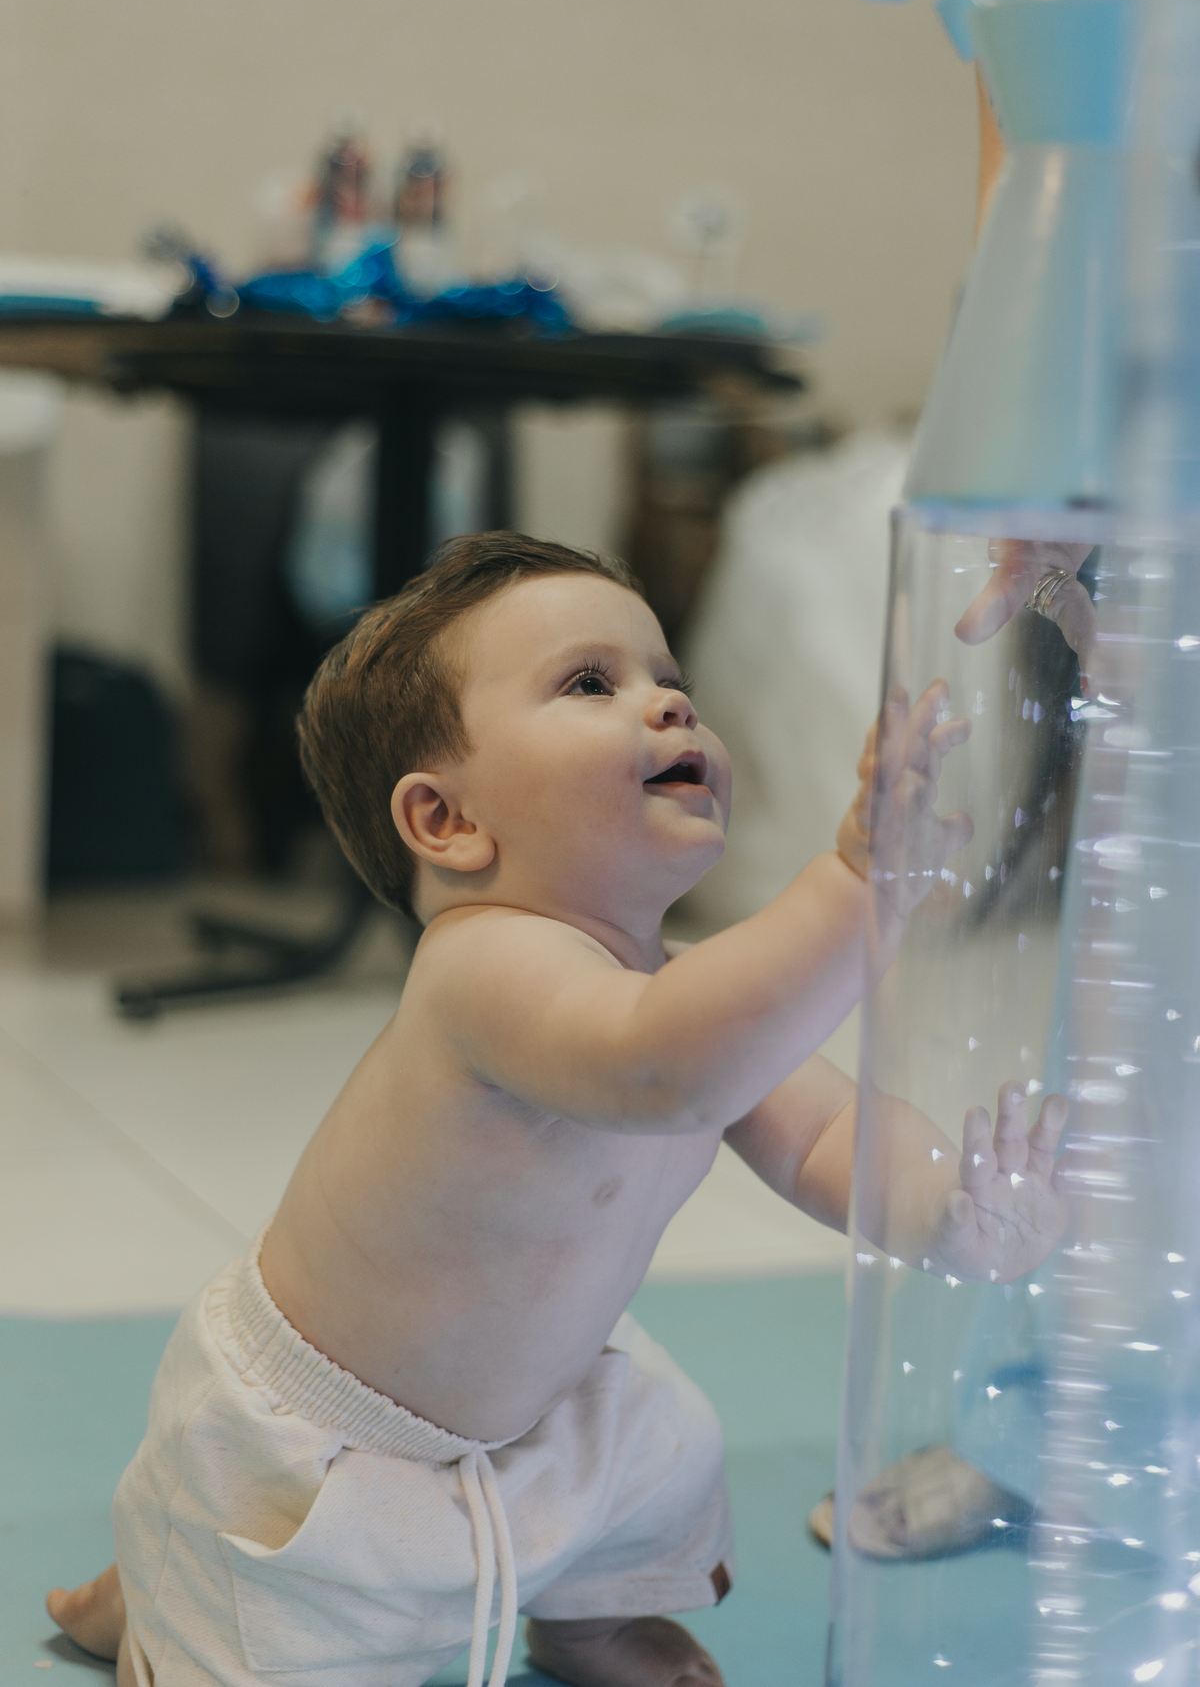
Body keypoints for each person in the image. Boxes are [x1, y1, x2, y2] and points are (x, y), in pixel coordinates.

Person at [47, 533, 1068, 1687]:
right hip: (318, 1455)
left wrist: (950, 1207)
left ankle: (589, 1617)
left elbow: (831, 1133)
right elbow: (665, 1065)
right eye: (593, 683)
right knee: (265, 1610)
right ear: (445, 822)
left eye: (672, 680)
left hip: (536, 1407)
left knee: (663, 1444)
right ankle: (163, 1582)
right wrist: (853, 886)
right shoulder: (484, 971)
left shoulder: (680, 994)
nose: (669, 707)